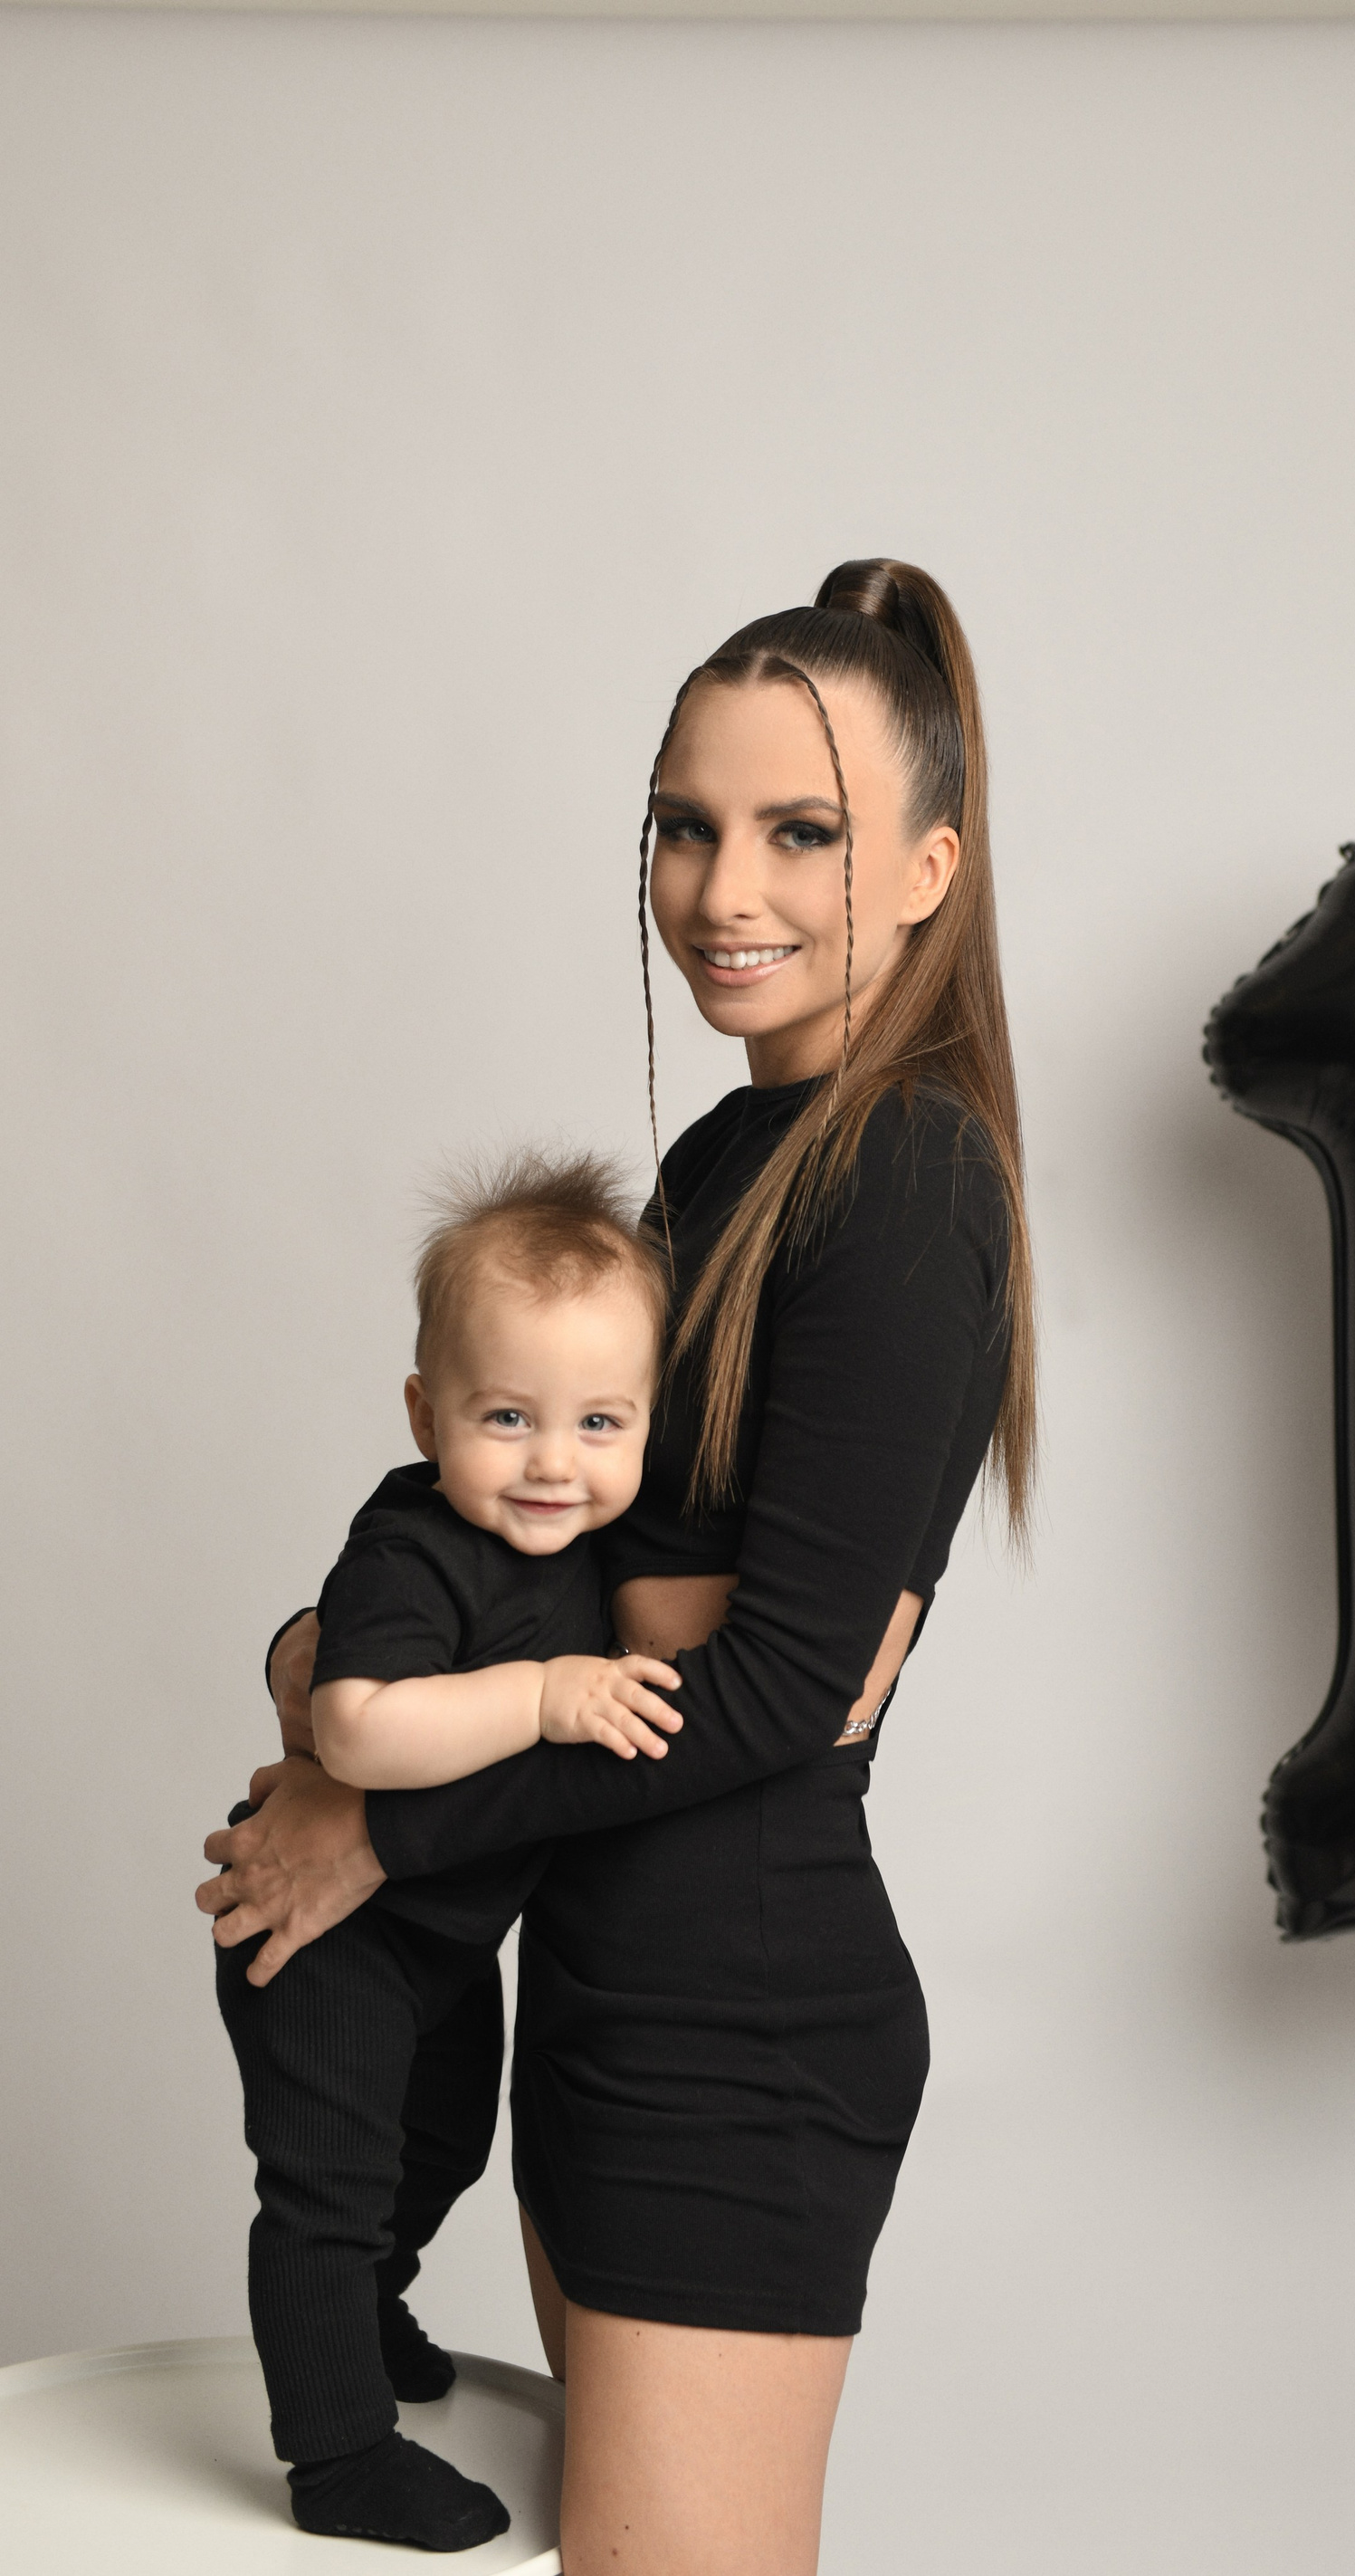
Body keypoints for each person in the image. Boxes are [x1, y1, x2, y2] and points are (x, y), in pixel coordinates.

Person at [199, 557, 1037, 2576]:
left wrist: (383, 1823)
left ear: (929, 868)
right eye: (685, 824)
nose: (724, 888)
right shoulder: (723, 1162)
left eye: (803, 832)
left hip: (735, 2031)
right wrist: (334, 1661)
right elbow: (556, 1576)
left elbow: (777, 1692)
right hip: (595, 1972)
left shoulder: (904, 1174)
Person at [216, 1150, 679, 2548]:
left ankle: (366, 2304)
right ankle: (338, 2455)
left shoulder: (593, 1545)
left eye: (600, 1421)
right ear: (428, 1414)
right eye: (507, 1416)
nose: (554, 1461)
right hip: (327, 1938)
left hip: (444, 1937)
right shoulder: (413, 1546)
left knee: (444, 2144)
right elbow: (354, 1725)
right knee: (327, 2191)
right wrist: (541, 1696)